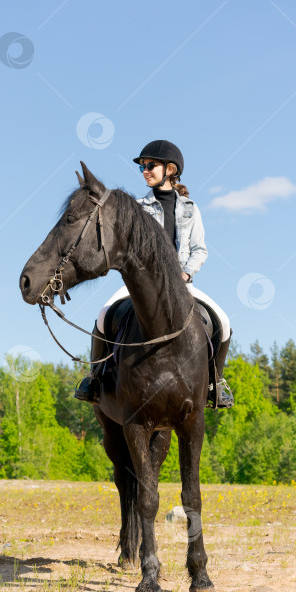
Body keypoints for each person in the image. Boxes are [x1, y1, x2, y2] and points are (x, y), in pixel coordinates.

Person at [74, 139, 234, 408]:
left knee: (224, 323)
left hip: (181, 284)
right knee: (103, 316)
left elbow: (200, 249)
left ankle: (214, 384)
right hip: (141, 282)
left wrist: (185, 274)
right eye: (142, 167)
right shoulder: (136, 207)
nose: (145, 170)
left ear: (170, 170)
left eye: (150, 165)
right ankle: (95, 378)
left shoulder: (191, 209)